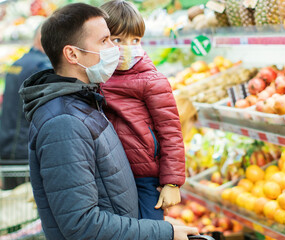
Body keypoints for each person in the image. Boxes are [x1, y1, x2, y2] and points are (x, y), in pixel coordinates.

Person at [19, 3, 197, 239]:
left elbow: (169, 131)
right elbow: (81, 225)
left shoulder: (86, 98)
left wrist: (169, 183)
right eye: (106, 41)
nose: (116, 49)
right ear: (72, 54)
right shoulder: (64, 122)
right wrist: (162, 232)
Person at [100, 0, 185, 220]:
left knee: (150, 229)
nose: (127, 47)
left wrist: (172, 181)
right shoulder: (96, 77)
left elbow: (171, 132)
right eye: (117, 39)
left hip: (145, 176)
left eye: (135, 40)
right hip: (108, 173)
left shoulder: (152, 80)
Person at [0, 24, 51, 190]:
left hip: (8, 146)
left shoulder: (18, 63)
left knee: (12, 206)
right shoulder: (42, 66)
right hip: (24, 149)